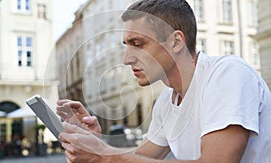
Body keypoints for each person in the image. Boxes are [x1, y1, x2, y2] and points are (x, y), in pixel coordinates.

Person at [56, 0, 271, 162]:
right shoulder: (167, 101)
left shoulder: (228, 74)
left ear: (176, 41)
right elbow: (139, 158)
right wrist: (95, 144)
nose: (126, 58)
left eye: (137, 44)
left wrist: (104, 155)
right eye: (126, 46)